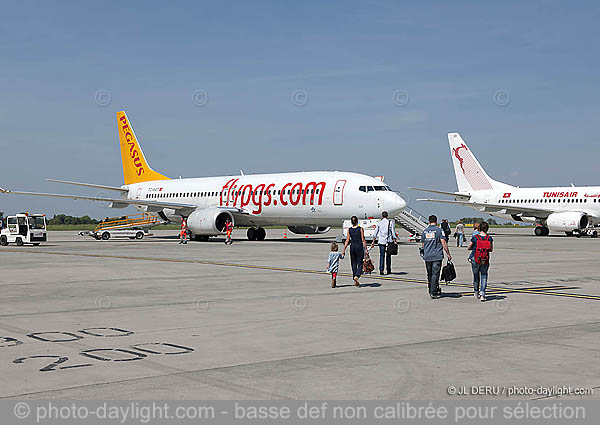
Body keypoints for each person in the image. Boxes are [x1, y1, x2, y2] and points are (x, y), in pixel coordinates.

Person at [421, 215, 452, 299]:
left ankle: (431, 289)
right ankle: (433, 292)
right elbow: (443, 242)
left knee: (429, 274)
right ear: (436, 221)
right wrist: (448, 254)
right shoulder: (439, 230)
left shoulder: (425, 231)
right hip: (436, 256)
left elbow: (423, 244)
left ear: (429, 221)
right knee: (435, 274)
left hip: (427, 256)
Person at [468, 221, 493, 301]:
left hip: (476, 258)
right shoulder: (489, 238)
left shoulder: (475, 237)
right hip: (485, 259)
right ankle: (482, 294)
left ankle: (476, 291)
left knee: (476, 276)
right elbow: (491, 249)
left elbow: (469, 247)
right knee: (484, 276)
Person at [343, 215, 369, 287]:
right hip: (359, 247)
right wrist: (366, 250)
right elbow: (363, 240)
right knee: (360, 263)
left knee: (353, 263)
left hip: (352, 247)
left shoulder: (349, 230)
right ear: (357, 221)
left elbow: (347, 240)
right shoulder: (360, 229)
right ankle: (357, 275)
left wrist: (344, 250)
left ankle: (355, 278)